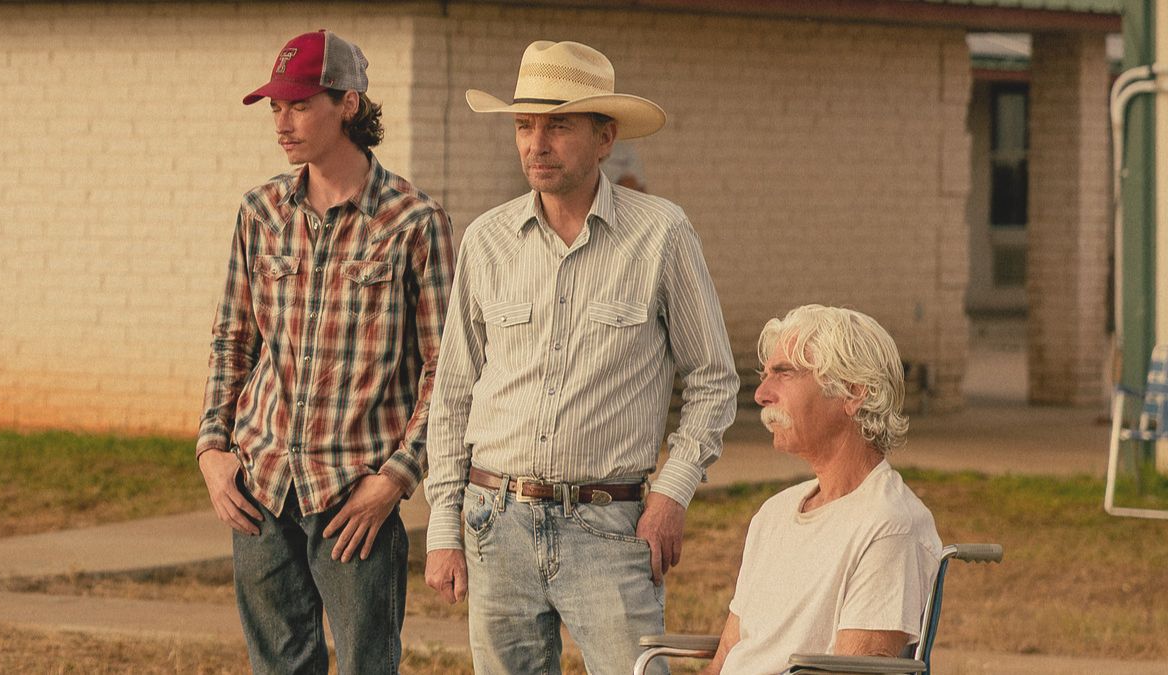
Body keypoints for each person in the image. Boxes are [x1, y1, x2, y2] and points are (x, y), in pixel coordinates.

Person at [423, 40, 739, 674]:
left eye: (558, 125)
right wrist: (443, 525)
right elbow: (454, 390)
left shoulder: (661, 234)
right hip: (495, 523)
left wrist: (670, 496)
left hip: (611, 525)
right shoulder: (487, 241)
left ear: (605, 137)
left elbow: (713, 380)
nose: (536, 143)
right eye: (524, 125)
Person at [194, 29, 454, 674]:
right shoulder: (259, 212)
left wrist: (395, 480)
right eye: (276, 107)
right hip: (260, 485)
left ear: (350, 103)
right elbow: (232, 340)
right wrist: (212, 451)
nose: (282, 122)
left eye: (300, 104)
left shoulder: (415, 221)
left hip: (353, 497)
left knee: (369, 664)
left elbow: (446, 373)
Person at [701, 305, 942, 675]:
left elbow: (853, 671)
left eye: (784, 374)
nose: (762, 394)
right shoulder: (774, 513)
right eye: (765, 376)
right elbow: (726, 656)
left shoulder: (891, 526)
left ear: (852, 392)